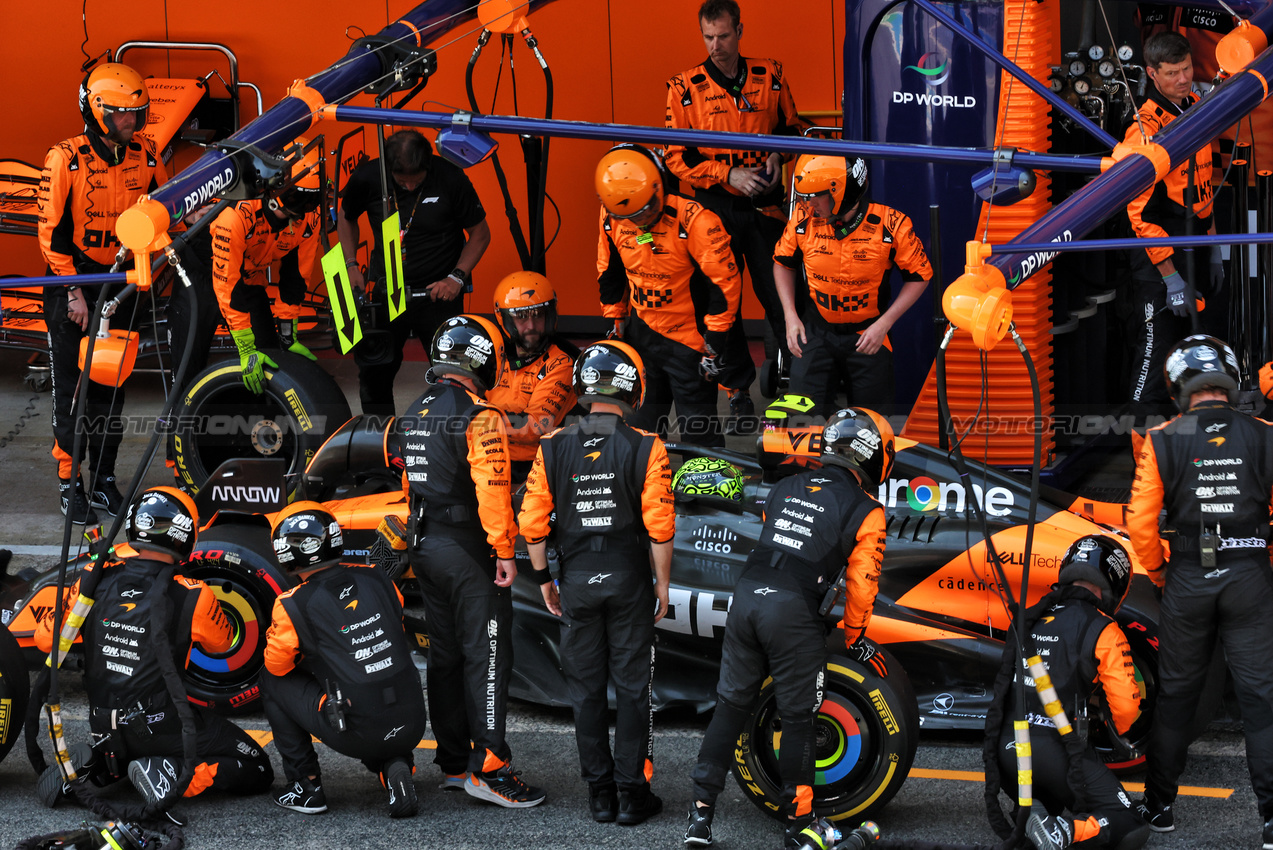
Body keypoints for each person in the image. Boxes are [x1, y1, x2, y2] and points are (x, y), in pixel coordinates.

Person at [685, 407, 891, 850]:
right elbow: (863, 585)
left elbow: (777, 538)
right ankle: (799, 824)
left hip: (746, 599)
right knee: (799, 716)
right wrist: (854, 637)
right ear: (873, 456)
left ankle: (700, 816)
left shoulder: (786, 484)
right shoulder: (867, 509)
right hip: (792, 612)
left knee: (731, 706)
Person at [34, 487, 273, 809]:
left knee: (128, 738)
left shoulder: (93, 577)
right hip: (163, 724)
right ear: (185, 533)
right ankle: (169, 772)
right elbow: (223, 644)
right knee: (257, 765)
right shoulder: (193, 594)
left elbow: (44, 640)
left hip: (101, 721)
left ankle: (97, 765)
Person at [519, 341, 675, 825]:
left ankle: (600, 796)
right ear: (632, 387)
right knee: (632, 690)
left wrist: (545, 578)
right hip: (629, 580)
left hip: (578, 582)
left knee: (585, 693)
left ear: (582, 388)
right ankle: (632, 795)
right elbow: (660, 527)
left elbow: (532, 523)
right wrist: (662, 587)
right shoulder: (648, 444)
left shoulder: (551, 445)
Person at [1126, 334, 1273, 847]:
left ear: (1176, 384)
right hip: (1251, 576)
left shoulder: (1162, 439)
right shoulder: (1266, 434)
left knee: (1177, 699)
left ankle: (1160, 807)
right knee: (1261, 698)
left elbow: (1140, 526)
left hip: (1189, 574)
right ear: (1231, 380)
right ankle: (1272, 820)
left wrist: (1163, 574)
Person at [399, 314, 546, 807]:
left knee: (444, 656)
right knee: (487, 657)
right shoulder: (479, 415)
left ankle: (455, 762)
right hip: (468, 550)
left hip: (426, 548)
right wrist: (504, 550)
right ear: (481, 361)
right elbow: (493, 489)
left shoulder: (412, 411)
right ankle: (491, 767)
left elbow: (409, 490)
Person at [37, 62, 168, 522]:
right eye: (121, 115)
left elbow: (164, 212)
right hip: (71, 286)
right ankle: (70, 485)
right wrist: (72, 293)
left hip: (123, 284)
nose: (131, 123)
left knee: (111, 393)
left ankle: (104, 483)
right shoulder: (64, 158)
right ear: (96, 112)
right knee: (72, 394)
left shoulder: (147, 154)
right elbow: (51, 235)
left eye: (138, 114)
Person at [664, 0, 811, 404]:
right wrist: (727, 174)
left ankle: (798, 388)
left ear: (740, 31)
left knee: (784, 300)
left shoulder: (770, 74)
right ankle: (736, 388)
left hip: (767, 208)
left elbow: (793, 129)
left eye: (723, 36)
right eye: (708, 37)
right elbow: (676, 157)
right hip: (713, 211)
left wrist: (778, 155)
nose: (715, 45)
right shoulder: (683, 87)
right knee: (719, 303)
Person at [260, 501, 427, 818]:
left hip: (357, 730)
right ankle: (395, 763)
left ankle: (306, 788)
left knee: (270, 681)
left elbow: (276, 665)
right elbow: (394, 628)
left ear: (285, 552)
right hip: (413, 721)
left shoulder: (292, 604)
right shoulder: (379, 578)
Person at [988, 536, 1147, 850]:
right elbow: (1127, 710)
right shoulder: (1103, 627)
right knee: (1130, 824)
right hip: (1053, 753)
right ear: (1116, 584)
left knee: (1067, 795)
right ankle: (1063, 832)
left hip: (1005, 752)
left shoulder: (1031, 617)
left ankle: (1035, 810)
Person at [596, 144, 742, 448]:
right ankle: (644, 484)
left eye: (647, 210)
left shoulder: (697, 220)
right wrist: (615, 317)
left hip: (690, 342)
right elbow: (608, 269)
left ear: (659, 183)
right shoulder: (612, 217)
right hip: (641, 333)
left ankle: (703, 490)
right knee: (640, 430)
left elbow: (724, 282)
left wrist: (714, 339)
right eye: (631, 216)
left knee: (697, 431)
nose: (641, 222)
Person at [337, 129, 491, 418]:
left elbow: (480, 234)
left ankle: (453, 432)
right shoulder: (369, 177)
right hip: (386, 290)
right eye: (401, 181)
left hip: (437, 293)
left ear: (428, 166)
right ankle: (380, 434)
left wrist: (456, 277)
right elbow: (346, 218)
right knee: (374, 371)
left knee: (455, 371)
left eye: (416, 180)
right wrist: (350, 264)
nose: (408, 187)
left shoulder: (451, 178)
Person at [775, 154, 932, 417]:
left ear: (841, 191)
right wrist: (790, 316)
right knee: (799, 422)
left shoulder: (891, 224)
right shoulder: (803, 219)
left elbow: (920, 276)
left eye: (815, 195)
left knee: (872, 427)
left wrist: (885, 324)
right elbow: (782, 263)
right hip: (815, 332)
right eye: (804, 196)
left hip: (867, 335)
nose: (808, 203)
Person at [1122, 31, 1218, 415]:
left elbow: (1204, 187)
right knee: (1153, 364)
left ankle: (1183, 453)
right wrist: (1170, 278)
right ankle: (1142, 463)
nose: (1183, 78)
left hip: (1194, 251)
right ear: (1152, 73)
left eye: (1187, 68)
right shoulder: (1143, 131)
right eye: (1173, 72)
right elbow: (1139, 216)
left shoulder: (1195, 107)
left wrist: (1214, 251)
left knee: (1193, 361)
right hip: (1159, 270)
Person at [210, 137, 323, 395]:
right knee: (191, 359)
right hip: (205, 272)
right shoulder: (236, 215)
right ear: (274, 187)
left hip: (248, 278)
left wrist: (287, 334)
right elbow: (227, 283)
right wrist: (246, 349)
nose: (305, 210)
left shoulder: (310, 216)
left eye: (314, 199)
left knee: (271, 355)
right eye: (298, 199)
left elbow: (296, 275)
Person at [485, 271, 578, 482]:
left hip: (538, 467)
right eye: (521, 317)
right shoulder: (491, 357)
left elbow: (535, 426)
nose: (531, 326)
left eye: (538, 315)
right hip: (487, 458)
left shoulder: (561, 363)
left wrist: (474, 419)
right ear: (504, 319)